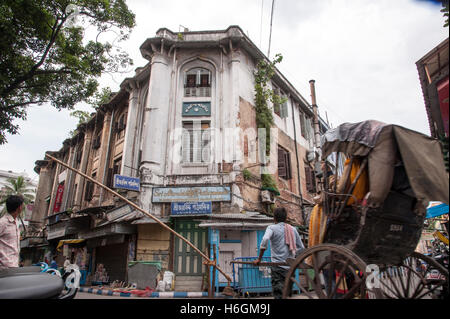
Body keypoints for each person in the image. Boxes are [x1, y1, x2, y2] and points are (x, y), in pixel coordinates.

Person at [253, 207, 305, 299]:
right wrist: (296, 260)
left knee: (279, 295)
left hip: (277, 268)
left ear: (274, 218)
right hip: (290, 268)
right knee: (287, 295)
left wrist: (259, 259)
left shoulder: (271, 228)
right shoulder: (293, 229)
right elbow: (301, 248)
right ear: (285, 218)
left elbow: (265, 239)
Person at [0, 195, 24, 268]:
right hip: (3, 268)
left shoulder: (16, 222)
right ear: (19, 207)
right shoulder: (3, 222)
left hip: (13, 267)